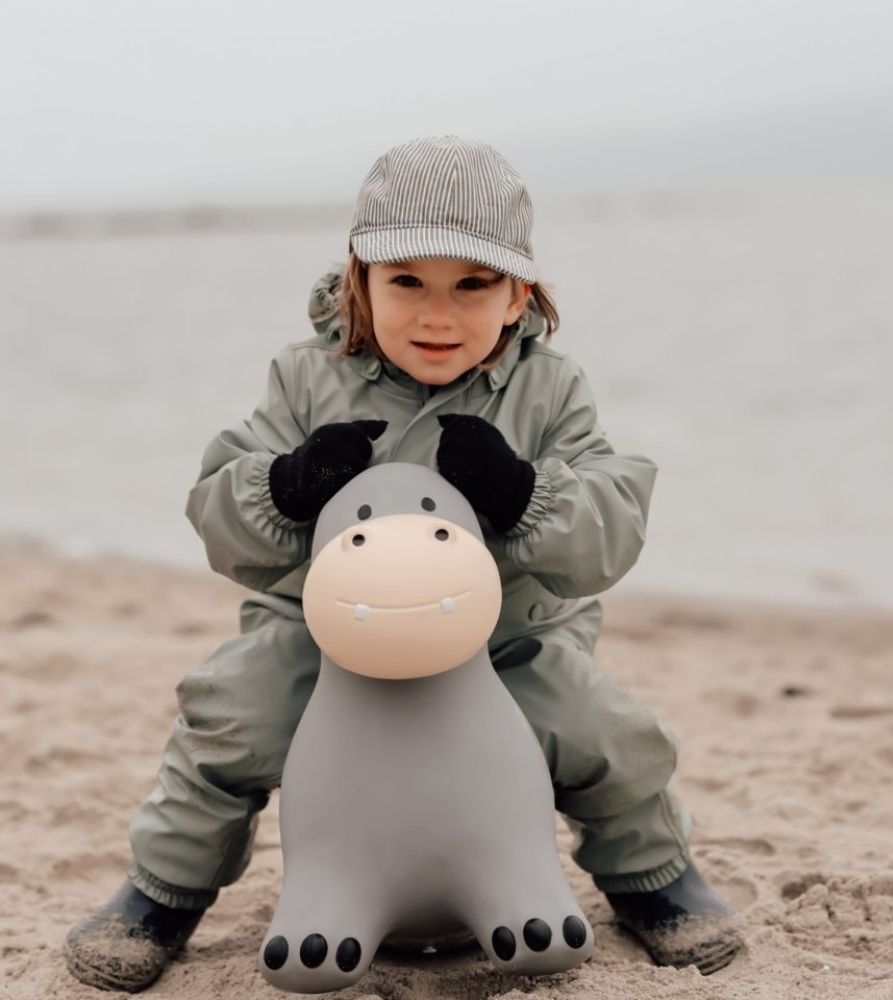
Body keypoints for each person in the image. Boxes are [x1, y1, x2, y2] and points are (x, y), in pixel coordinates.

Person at [64, 135, 744, 992]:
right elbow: (216, 511)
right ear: (361, 280)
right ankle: (161, 893)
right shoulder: (308, 379)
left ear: (518, 293)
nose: (437, 315)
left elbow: (613, 526)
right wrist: (287, 484)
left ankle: (652, 878)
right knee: (233, 711)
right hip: (325, 633)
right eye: (407, 282)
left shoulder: (549, 391)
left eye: (472, 285)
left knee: (599, 729)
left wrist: (524, 492)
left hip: (504, 636)